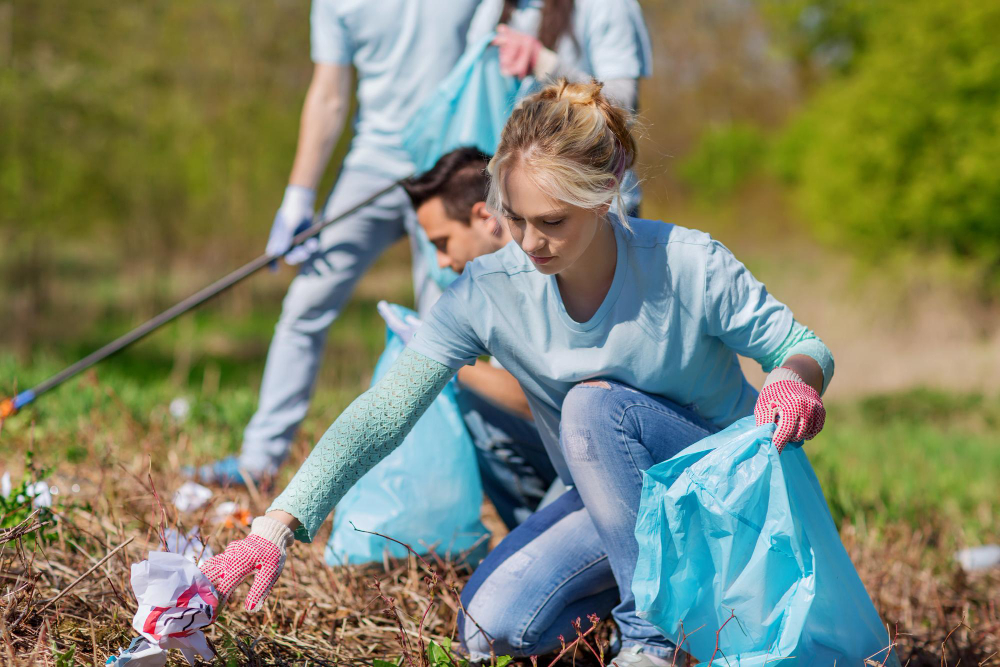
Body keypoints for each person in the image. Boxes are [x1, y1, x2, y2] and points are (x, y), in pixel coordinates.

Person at [198, 80, 834, 667]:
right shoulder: (489, 290)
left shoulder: (686, 263)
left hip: (720, 498)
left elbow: (803, 346)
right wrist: (278, 524)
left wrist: (794, 378)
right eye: (515, 218)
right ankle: (681, 615)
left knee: (592, 406)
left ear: (607, 189)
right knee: (490, 629)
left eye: (553, 222)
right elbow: (386, 410)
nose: (530, 244)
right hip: (620, 510)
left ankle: (652, 638)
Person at [191, 0, 482, 486]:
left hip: (452, 165)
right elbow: (328, 94)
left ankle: (439, 479)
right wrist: (297, 198)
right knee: (305, 303)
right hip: (371, 167)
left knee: (442, 327)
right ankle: (258, 461)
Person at [398, 146, 559, 529]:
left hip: (600, 456)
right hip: (567, 448)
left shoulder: (540, 269)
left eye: (442, 242)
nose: (440, 260)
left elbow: (532, 397)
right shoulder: (494, 282)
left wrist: (445, 360)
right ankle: (537, 532)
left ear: (484, 216)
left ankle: (539, 534)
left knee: (474, 402)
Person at [468, 0, 653, 213]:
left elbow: (623, 103)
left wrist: (545, 64)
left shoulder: (606, 5)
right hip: (508, 200)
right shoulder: (491, 8)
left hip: (591, 204)